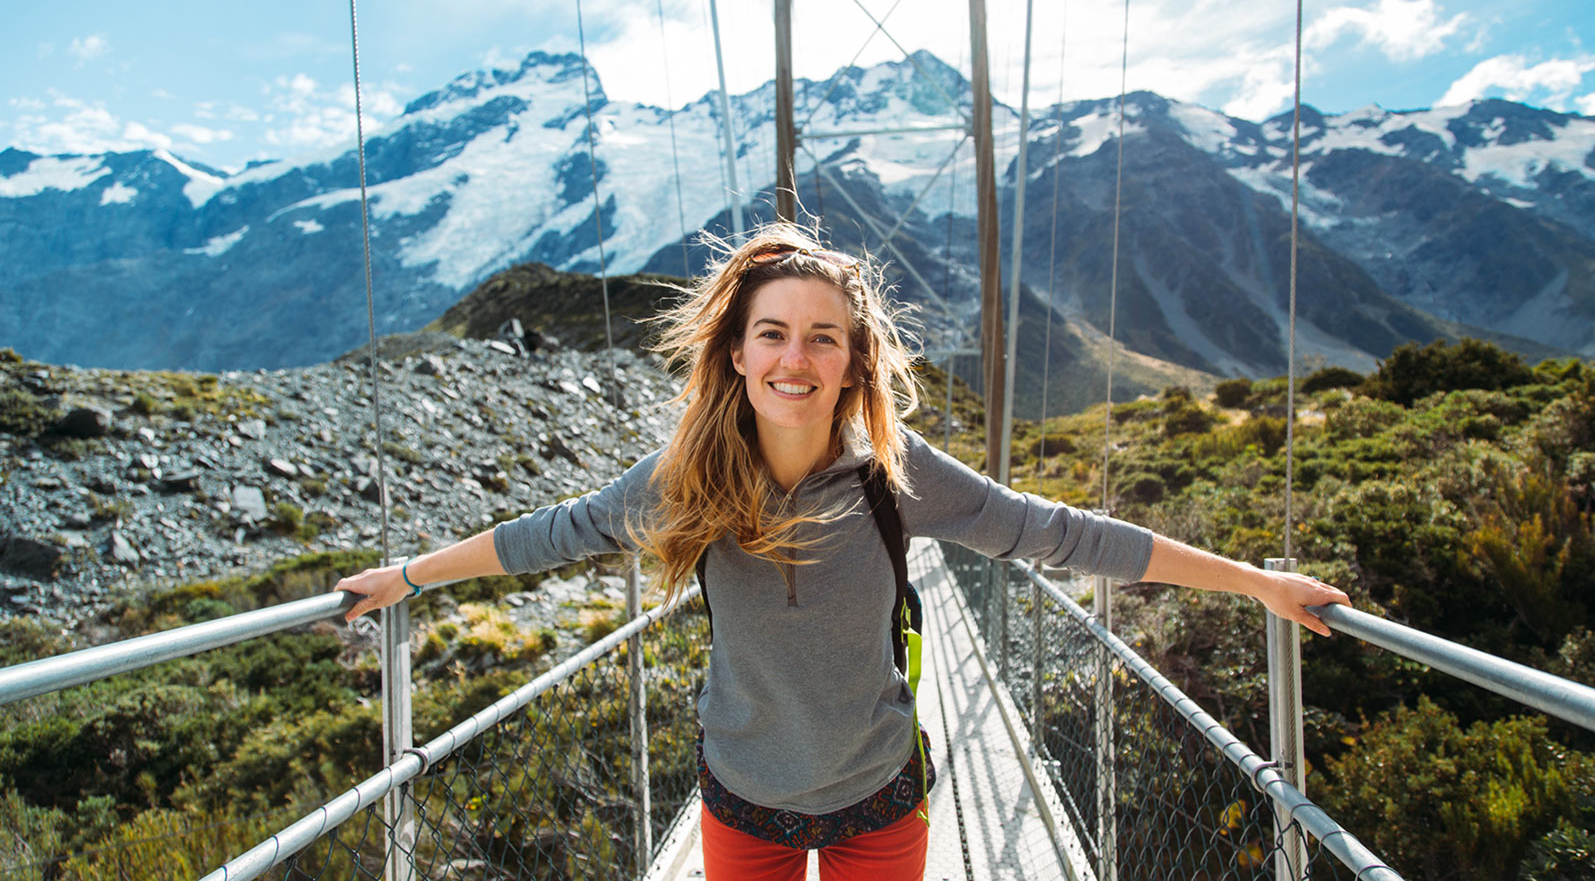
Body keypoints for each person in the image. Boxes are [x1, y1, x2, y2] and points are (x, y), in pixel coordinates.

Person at [335, 223, 1351, 881]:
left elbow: (1061, 533)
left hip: (879, 799)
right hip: (742, 802)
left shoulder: (895, 474)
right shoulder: (684, 478)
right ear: (736, 352)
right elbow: (550, 534)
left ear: (856, 358)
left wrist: (1254, 583)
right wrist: (408, 577)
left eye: (824, 336)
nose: (796, 357)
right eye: (772, 333)